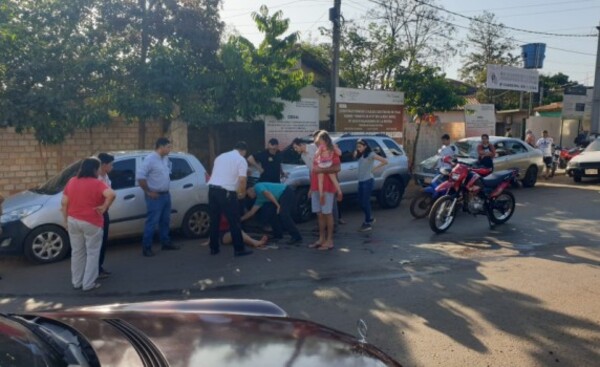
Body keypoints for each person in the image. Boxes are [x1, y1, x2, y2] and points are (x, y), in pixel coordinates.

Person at [61, 157, 115, 291]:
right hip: (92, 221)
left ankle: (76, 282)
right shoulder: (97, 183)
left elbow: (64, 203)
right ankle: (88, 284)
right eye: (98, 169)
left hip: (73, 220)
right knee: (92, 253)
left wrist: (65, 220)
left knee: (77, 252)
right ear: (94, 169)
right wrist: (104, 206)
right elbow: (111, 194)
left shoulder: (72, 181)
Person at [207, 141, 253, 257]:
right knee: (234, 221)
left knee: (214, 220)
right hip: (226, 192)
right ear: (244, 151)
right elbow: (242, 180)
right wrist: (241, 194)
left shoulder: (220, 157)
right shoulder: (241, 159)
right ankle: (239, 249)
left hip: (212, 190)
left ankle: (214, 248)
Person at [137, 138, 179, 257]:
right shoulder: (150, 159)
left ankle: (165, 243)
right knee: (152, 222)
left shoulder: (165, 159)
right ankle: (147, 247)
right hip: (155, 196)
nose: (170, 149)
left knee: (165, 221)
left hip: (166, 194)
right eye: (168, 147)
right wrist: (148, 192)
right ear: (161, 146)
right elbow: (140, 177)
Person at [308, 133, 341, 251]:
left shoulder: (332, 152)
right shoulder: (318, 153)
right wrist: (311, 188)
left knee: (328, 214)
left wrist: (322, 169)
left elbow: (337, 168)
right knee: (319, 214)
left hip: (327, 188)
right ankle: (321, 239)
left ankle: (329, 240)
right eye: (317, 141)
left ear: (325, 140)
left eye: (319, 140)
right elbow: (313, 171)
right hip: (316, 187)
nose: (317, 143)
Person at [355, 139, 388, 232]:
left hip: (368, 181)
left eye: (360, 147)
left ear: (365, 146)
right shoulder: (360, 154)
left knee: (365, 202)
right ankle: (370, 218)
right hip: (361, 181)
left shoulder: (370, 154)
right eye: (357, 147)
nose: (358, 148)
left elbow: (385, 161)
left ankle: (367, 223)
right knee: (361, 202)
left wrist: (374, 168)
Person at [201, 215, 270, 249]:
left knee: (240, 232)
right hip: (223, 234)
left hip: (230, 230)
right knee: (238, 232)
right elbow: (214, 228)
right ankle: (255, 242)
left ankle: (253, 240)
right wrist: (209, 241)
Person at [97, 153, 114, 278]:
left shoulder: (105, 176)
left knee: (103, 241)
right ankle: (95, 270)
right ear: (103, 165)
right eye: (110, 164)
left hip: (104, 211)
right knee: (98, 242)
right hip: (98, 212)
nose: (112, 167)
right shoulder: (96, 178)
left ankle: (99, 267)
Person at [314, 130, 343, 205]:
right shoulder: (332, 146)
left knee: (320, 180)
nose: (319, 142)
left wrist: (318, 154)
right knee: (334, 179)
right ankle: (339, 191)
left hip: (322, 165)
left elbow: (316, 155)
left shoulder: (321, 147)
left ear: (323, 140)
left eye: (320, 140)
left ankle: (321, 195)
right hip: (329, 164)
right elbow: (340, 153)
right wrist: (335, 148)